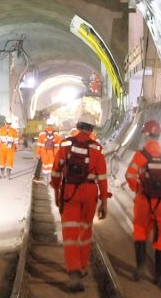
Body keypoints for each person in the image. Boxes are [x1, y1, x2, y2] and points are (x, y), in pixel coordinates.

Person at [51, 113, 110, 292]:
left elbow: (56, 172)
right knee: (85, 230)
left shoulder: (65, 144)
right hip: (90, 192)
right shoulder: (97, 148)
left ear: (77, 126)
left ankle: (74, 273)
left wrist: (56, 190)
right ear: (92, 129)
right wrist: (104, 201)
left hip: (70, 192)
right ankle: (83, 266)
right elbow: (102, 177)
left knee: (70, 233)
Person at [124, 119, 161, 284]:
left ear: (145, 134)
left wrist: (138, 189)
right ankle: (159, 276)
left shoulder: (140, 154)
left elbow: (129, 175)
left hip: (144, 200)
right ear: (159, 135)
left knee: (140, 230)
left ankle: (140, 268)